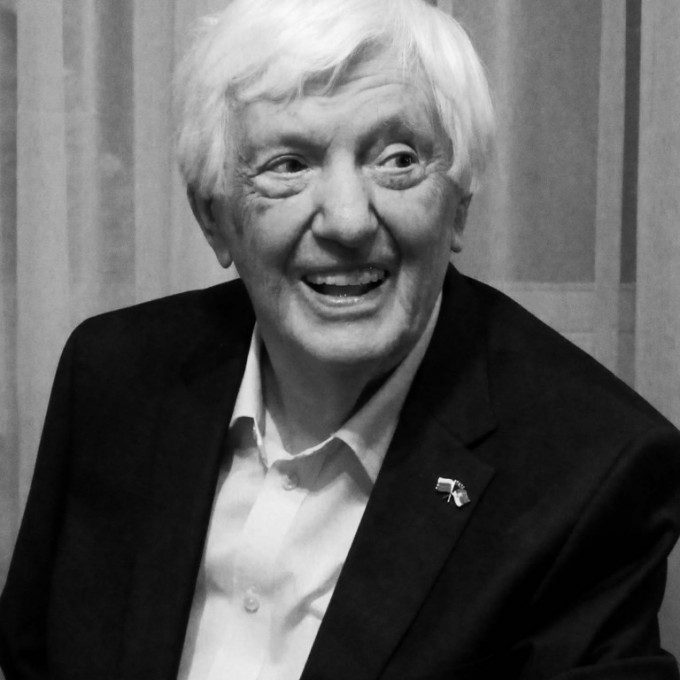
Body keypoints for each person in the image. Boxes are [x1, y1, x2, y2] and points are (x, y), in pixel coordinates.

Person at [1, 0, 680, 678]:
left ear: (459, 204)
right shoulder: (114, 378)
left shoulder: (592, 473)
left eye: (397, 159)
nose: (349, 221)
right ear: (214, 219)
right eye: (289, 164)